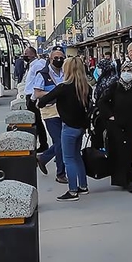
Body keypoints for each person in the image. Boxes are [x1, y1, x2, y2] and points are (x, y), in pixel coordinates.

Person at [38, 57, 91, 201]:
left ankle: (73, 191)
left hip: (68, 127)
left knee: (68, 159)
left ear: (66, 70)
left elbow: (42, 102)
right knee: (77, 156)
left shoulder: (63, 87)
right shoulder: (85, 87)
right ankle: (83, 186)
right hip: (81, 127)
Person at [97, 61, 132, 193]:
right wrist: (110, 115)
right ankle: (124, 180)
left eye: (130, 71)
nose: (127, 74)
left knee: (130, 151)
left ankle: (130, 177)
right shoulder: (114, 87)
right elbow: (102, 101)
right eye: (125, 71)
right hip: (116, 126)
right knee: (120, 152)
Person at [34, 49, 67, 184]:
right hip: (50, 112)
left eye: (61, 57)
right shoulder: (43, 74)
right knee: (60, 142)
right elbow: (37, 93)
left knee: (63, 142)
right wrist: (54, 92)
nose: (59, 60)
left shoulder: (65, 72)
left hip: (64, 111)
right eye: (56, 58)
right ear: (50, 58)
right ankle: (60, 174)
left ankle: (43, 158)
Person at [22, 47, 48, 153]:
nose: (25, 56)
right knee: (35, 122)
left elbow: (39, 81)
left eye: (27, 54)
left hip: (33, 96)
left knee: (37, 122)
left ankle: (43, 144)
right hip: (29, 95)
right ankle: (39, 143)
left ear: (33, 54)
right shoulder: (32, 65)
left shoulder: (38, 65)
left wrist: (34, 97)